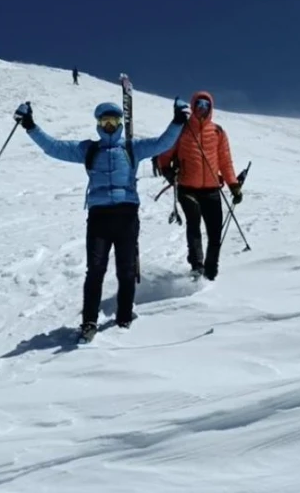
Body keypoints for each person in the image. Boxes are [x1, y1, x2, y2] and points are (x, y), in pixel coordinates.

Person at [13, 97, 188, 341]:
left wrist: (178, 120)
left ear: (120, 123)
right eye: (104, 121)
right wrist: (30, 125)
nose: (109, 125)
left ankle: (124, 316)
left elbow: (162, 143)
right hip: (99, 217)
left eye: (113, 120)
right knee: (95, 270)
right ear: (98, 123)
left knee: (126, 269)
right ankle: (89, 322)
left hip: (127, 215)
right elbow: (53, 147)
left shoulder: (132, 148)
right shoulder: (89, 149)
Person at [155, 91, 242, 281]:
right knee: (193, 223)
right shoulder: (182, 129)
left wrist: (233, 185)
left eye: (206, 105)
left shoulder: (218, 132)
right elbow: (165, 153)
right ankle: (197, 266)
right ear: (193, 106)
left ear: (211, 108)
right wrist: (166, 169)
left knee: (214, 231)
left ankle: (211, 270)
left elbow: (225, 162)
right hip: (187, 187)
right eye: (199, 104)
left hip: (211, 189)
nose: (202, 108)